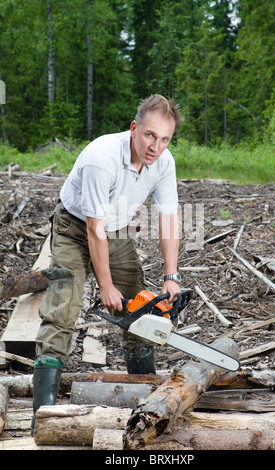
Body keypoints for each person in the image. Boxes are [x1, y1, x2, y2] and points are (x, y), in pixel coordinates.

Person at [31, 94, 184, 432]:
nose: (155, 146)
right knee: (63, 306)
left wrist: (172, 276)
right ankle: (42, 415)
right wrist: (105, 285)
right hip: (74, 227)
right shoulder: (103, 158)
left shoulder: (164, 162)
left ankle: (145, 400)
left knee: (139, 308)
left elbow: (169, 218)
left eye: (164, 139)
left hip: (116, 230)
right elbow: (92, 228)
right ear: (134, 129)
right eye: (149, 135)